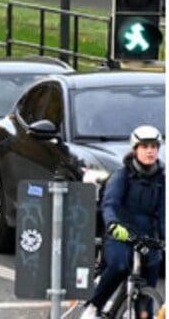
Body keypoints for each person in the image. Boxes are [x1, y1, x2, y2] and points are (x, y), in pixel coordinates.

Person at [80, 125, 165, 319]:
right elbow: (109, 205)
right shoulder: (122, 176)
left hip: (147, 238)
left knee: (147, 287)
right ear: (135, 149)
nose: (150, 150)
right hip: (120, 234)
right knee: (119, 265)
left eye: (154, 146)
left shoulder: (162, 180)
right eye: (145, 146)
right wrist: (113, 224)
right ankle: (94, 306)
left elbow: (163, 215)